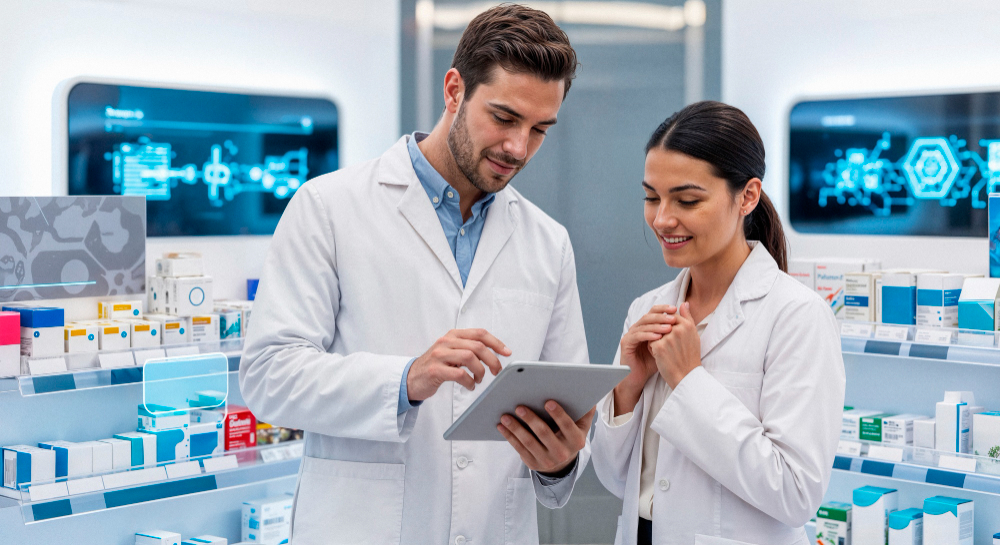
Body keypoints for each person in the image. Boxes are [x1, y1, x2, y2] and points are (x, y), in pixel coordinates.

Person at [240, 5, 594, 544]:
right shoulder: (329, 207)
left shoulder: (548, 241)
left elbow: (568, 414)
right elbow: (269, 376)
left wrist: (560, 460)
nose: (518, 148)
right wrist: (405, 379)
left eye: (539, 129)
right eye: (503, 118)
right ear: (455, 90)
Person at [591, 101, 845, 545]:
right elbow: (617, 481)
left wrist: (689, 382)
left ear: (746, 196)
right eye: (651, 197)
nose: (663, 218)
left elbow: (796, 493)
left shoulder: (796, 315)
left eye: (687, 200)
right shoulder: (646, 311)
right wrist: (626, 390)